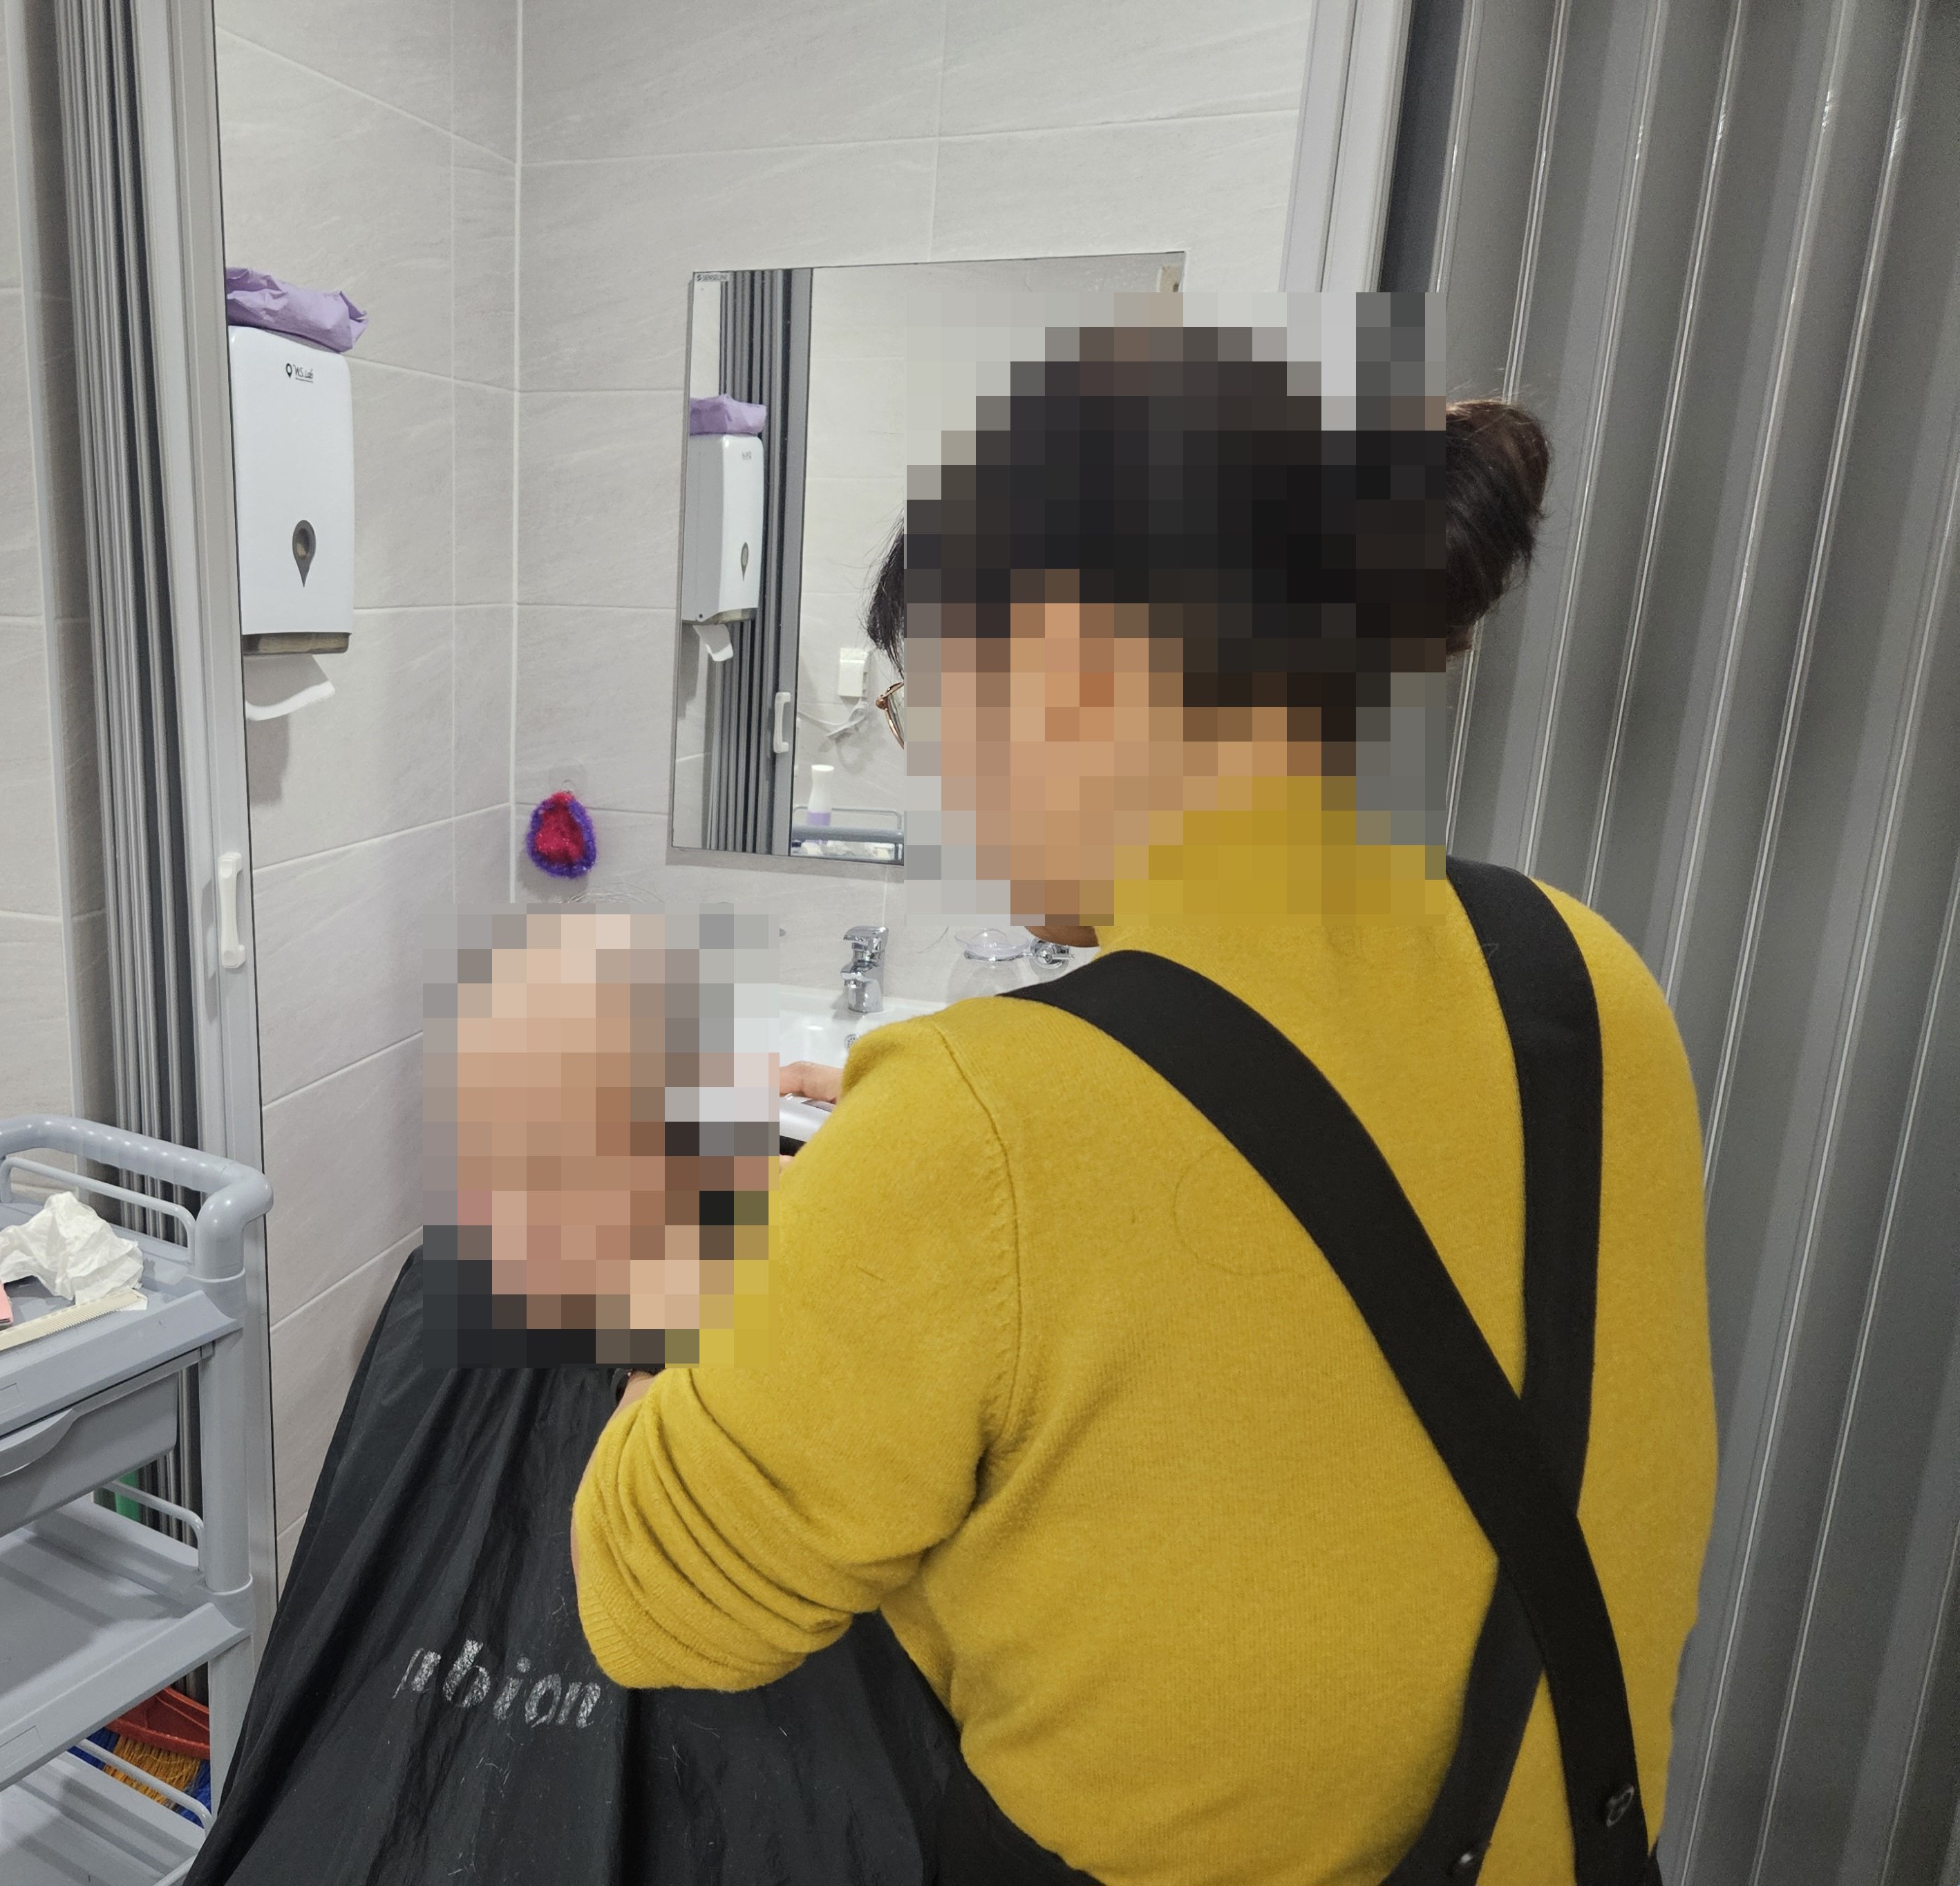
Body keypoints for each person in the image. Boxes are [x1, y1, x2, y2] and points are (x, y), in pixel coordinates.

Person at [572, 315, 1713, 1886]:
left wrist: (727, 1249)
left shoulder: (974, 1136)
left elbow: (653, 1606)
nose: (941, 781)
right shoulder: (1584, 976)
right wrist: (964, 1139)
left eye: (927, 709)